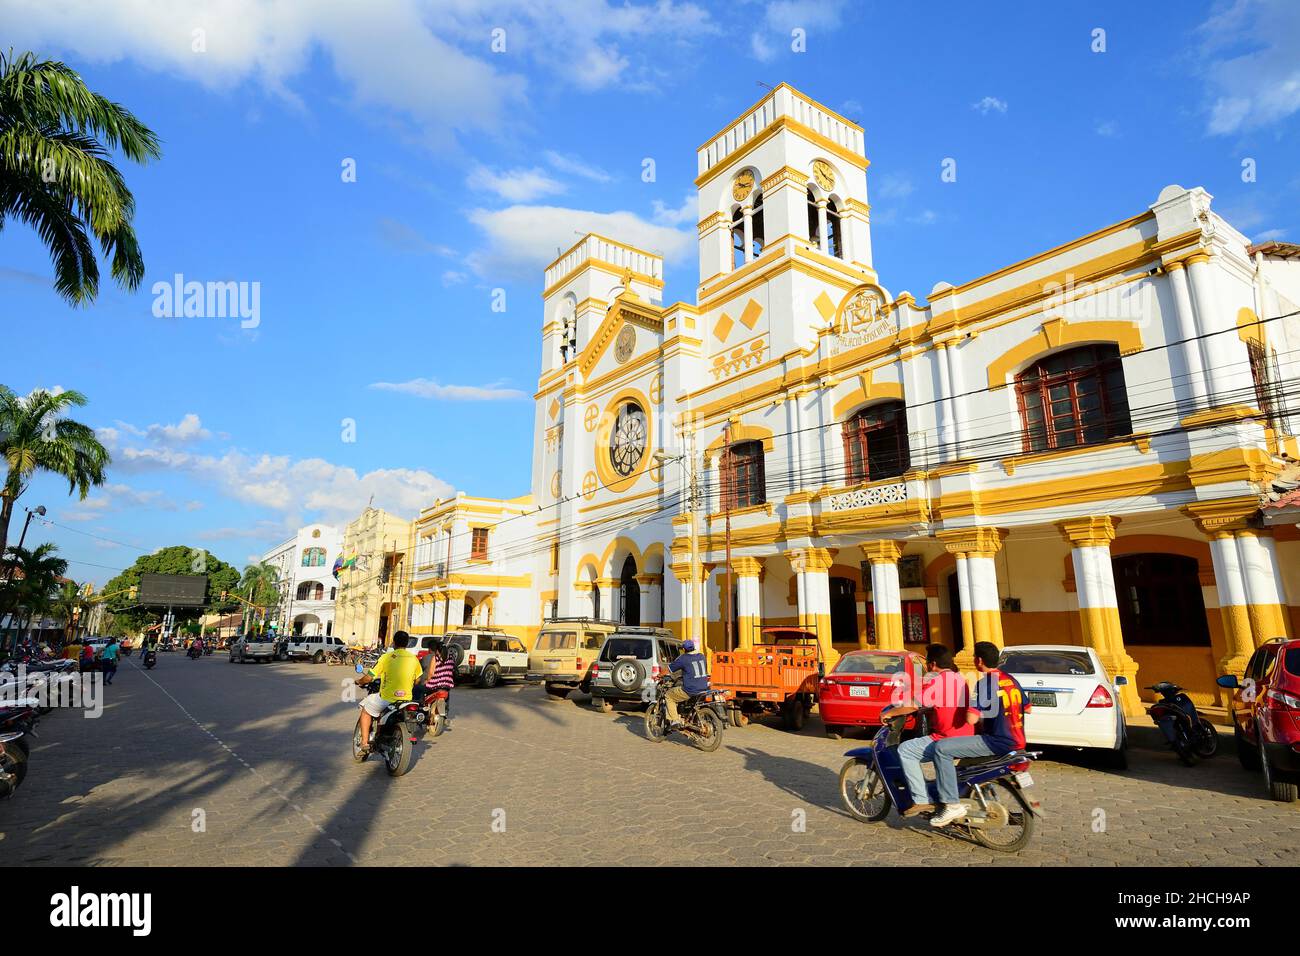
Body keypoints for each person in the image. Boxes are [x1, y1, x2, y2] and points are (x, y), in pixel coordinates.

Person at [926, 641, 1031, 829]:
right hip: (1019, 741)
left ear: (979, 660)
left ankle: (951, 804)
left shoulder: (985, 683)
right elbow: (1028, 708)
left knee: (942, 749)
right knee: (966, 767)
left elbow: (971, 719)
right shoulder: (1011, 679)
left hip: (996, 741)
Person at [882, 643, 974, 817]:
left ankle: (921, 800)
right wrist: (928, 709)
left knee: (906, 750)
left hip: (945, 737)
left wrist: (890, 713)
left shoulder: (937, 681)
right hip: (965, 735)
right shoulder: (959, 678)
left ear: (932, 664)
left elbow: (912, 705)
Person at [353, 630, 423, 754]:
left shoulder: (386, 657)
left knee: (365, 710)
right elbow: (418, 680)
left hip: (387, 698)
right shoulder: (414, 659)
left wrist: (359, 681)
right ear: (407, 643)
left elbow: (369, 677)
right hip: (406, 699)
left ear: (394, 643)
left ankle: (364, 744)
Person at [664, 638, 709, 727]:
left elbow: (668, 669)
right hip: (704, 688)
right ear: (694, 647)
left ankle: (674, 720)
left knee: (669, 696)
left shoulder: (683, 658)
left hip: (691, 690)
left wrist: (658, 675)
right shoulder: (702, 656)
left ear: (684, 649)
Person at [422, 637, 456, 730]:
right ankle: (445, 713)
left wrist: (427, 681)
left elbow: (431, 673)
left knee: (423, 694)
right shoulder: (451, 657)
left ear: (437, 650)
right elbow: (452, 669)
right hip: (447, 685)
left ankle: (424, 711)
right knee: (446, 698)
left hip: (435, 685)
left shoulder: (435, 658)